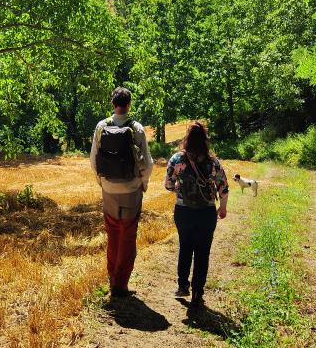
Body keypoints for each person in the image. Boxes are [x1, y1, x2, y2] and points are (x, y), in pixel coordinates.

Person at [90, 87, 153, 299]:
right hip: (131, 189)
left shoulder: (101, 126)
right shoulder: (137, 128)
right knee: (127, 236)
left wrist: (102, 182)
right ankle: (121, 285)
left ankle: (112, 279)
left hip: (108, 189)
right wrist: (143, 183)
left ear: (112, 103)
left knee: (113, 234)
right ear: (129, 104)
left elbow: (94, 160)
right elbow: (147, 163)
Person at [163, 120, 230, 308]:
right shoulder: (213, 161)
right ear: (204, 139)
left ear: (187, 138)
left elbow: (168, 184)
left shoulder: (177, 159)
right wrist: (222, 208)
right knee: (202, 252)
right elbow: (223, 187)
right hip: (206, 212)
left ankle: (182, 286)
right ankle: (198, 292)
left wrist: (179, 188)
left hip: (183, 211)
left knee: (185, 246)